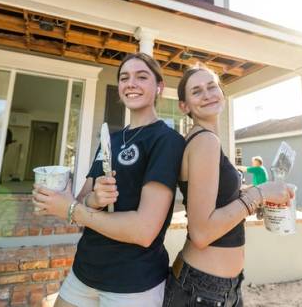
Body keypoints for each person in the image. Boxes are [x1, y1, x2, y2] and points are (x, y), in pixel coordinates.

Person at [32, 53, 186, 306]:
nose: (131, 83)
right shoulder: (111, 139)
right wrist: (93, 199)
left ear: (159, 87)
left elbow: (144, 231)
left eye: (142, 76)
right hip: (84, 272)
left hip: (134, 284)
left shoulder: (167, 140)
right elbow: (83, 197)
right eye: (124, 78)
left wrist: (71, 209)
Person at [165, 67, 292, 307]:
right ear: (184, 106)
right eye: (197, 91)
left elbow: (215, 201)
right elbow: (202, 233)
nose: (207, 94)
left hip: (219, 288)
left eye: (212, 86)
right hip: (202, 291)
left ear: (221, 92)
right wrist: (259, 193)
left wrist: (262, 196)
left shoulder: (204, 139)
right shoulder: (205, 141)